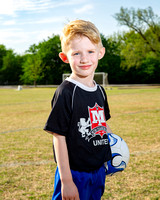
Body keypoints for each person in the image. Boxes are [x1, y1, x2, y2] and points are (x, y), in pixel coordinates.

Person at [44, 19, 112, 200]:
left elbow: (103, 125)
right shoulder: (66, 92)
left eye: (90, 51)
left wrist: (113, 148)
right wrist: (66, 181)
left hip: (97, 170)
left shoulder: (100, 90)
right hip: (75, 174)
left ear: (100, 53)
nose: (84, 59)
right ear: (65, 57)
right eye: (76, 53)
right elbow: (58, 137)